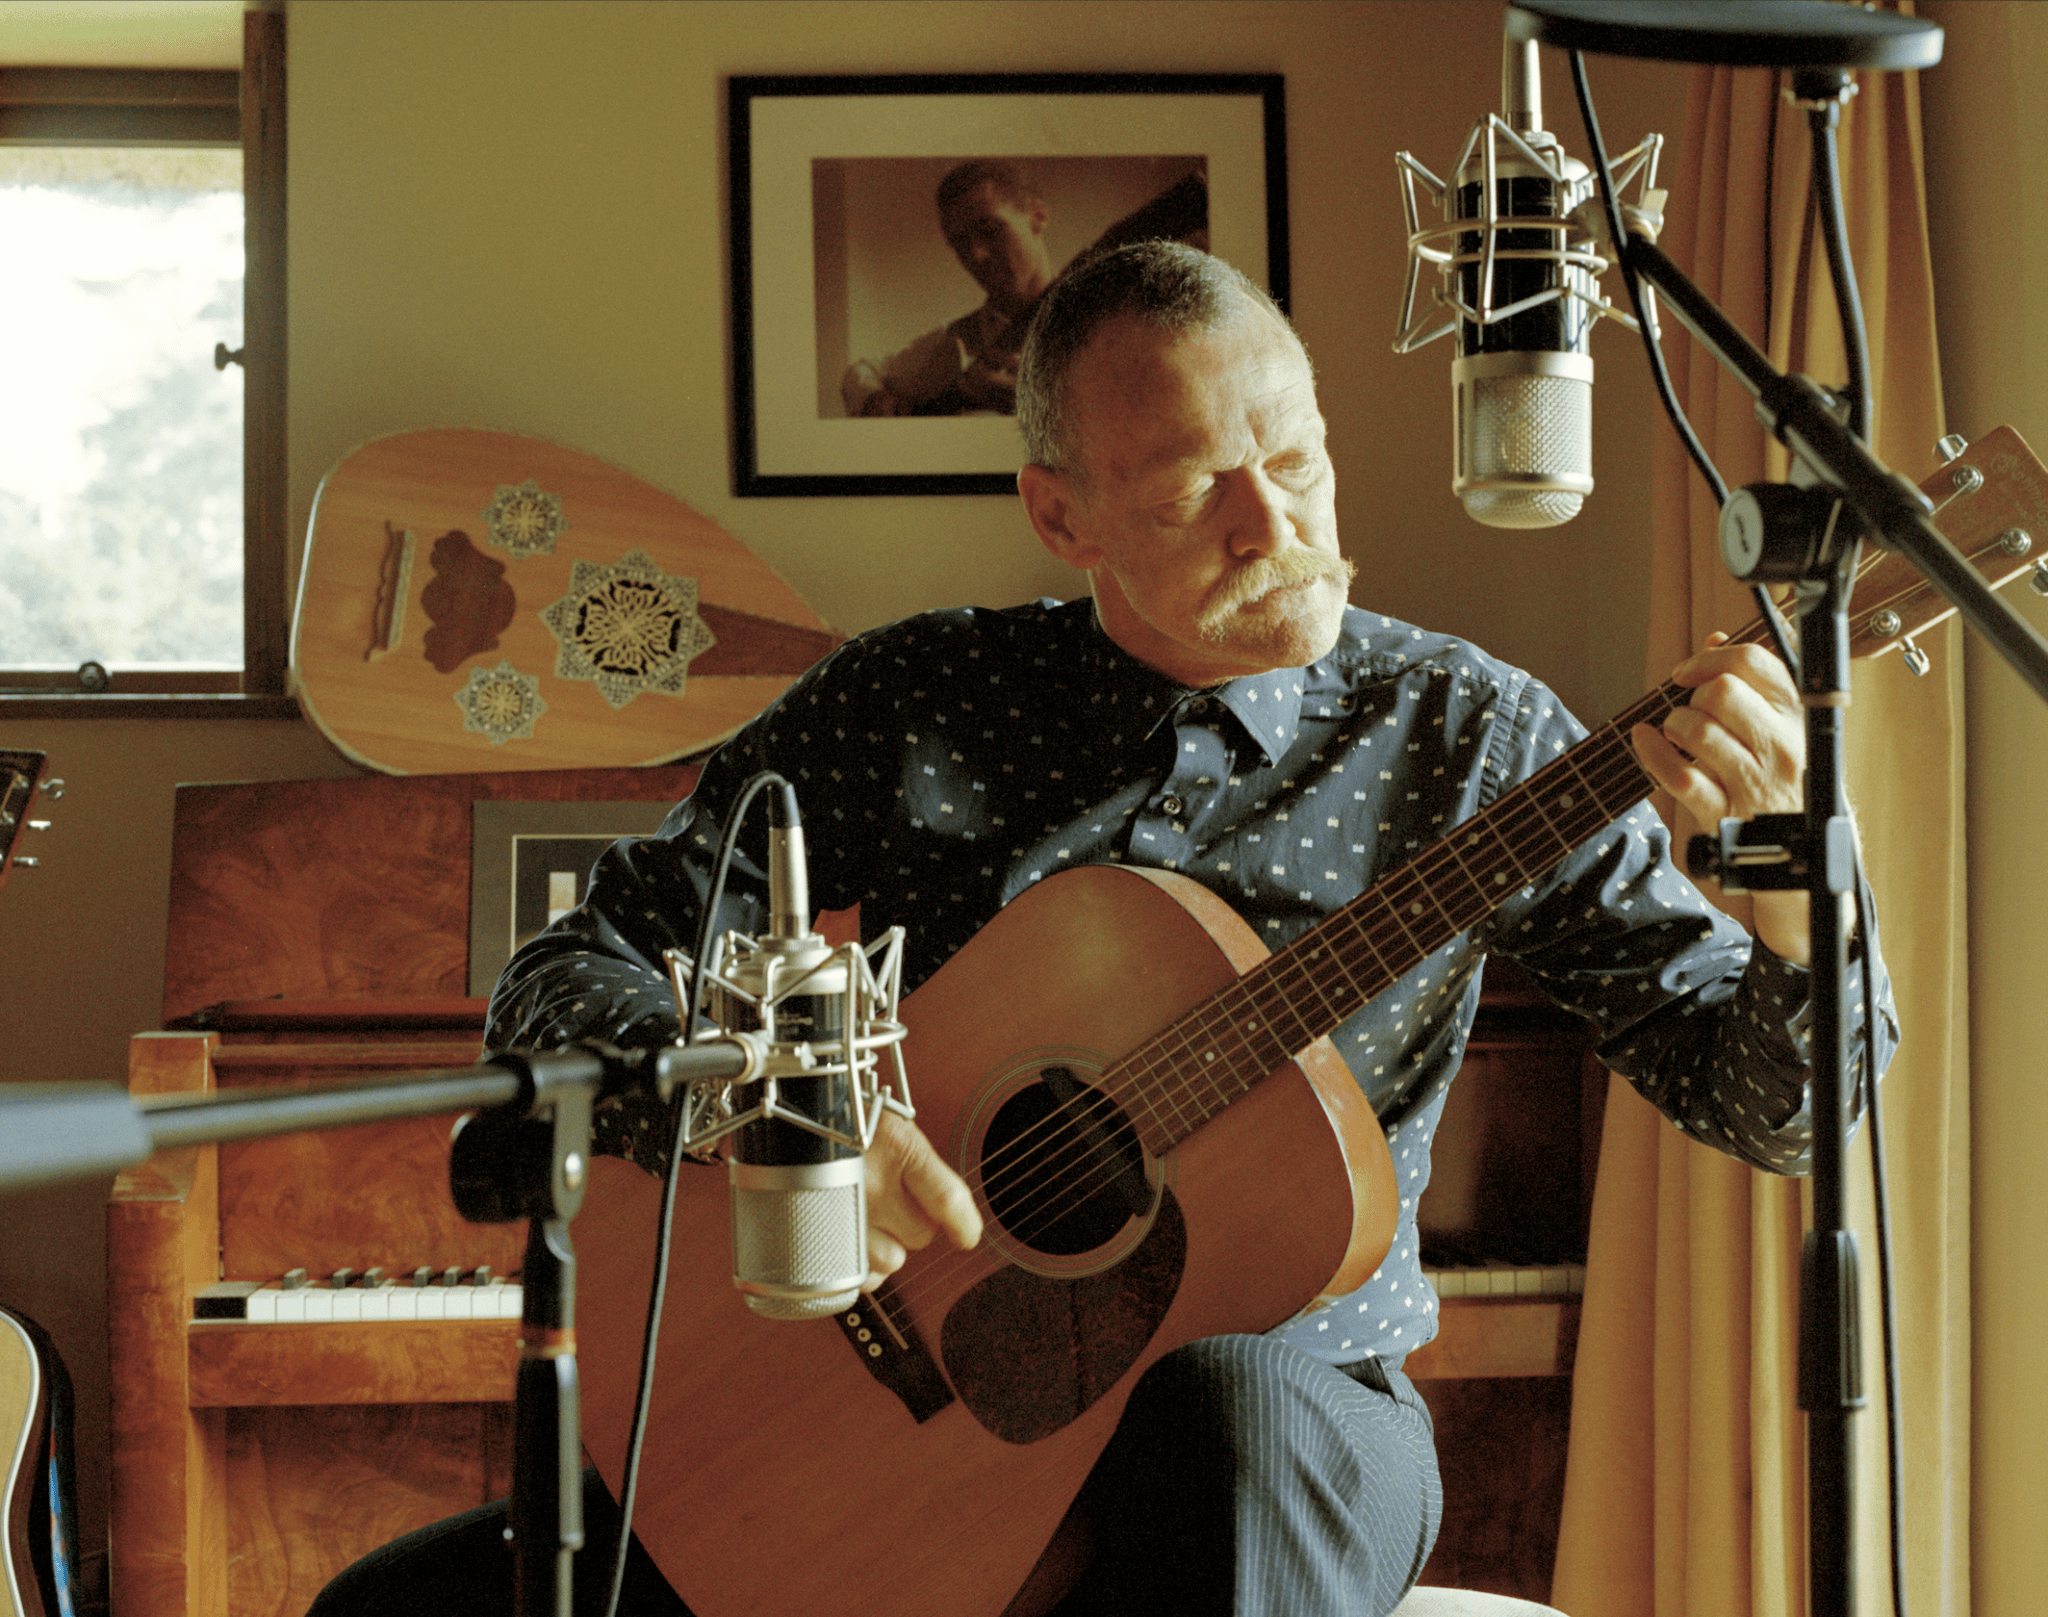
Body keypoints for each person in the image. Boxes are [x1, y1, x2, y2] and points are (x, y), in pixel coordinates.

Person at [313, 242, 1894, 1617]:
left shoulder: (1475, 737)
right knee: (390, 1612)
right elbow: (567, 977)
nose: (1271, 521)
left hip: (1299, 1424)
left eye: (1294, 455)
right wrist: (793, 1117)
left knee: (1222, 1413)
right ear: (1061, 515)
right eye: (1196, 486)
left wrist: (1795, 867)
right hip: (895, 1406)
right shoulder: (916, 698)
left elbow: (1781, 1105)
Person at [840, 158, 1207, 418]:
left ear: (1037, 217)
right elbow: (859, 373)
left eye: (990, 230)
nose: (976, 255)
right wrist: (879, 405)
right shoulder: (951, 339)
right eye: (959, 243)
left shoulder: (1122, 322)